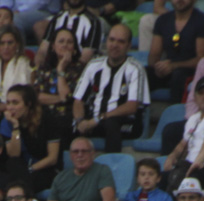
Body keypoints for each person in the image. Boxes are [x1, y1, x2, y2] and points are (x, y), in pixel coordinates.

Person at [72, 23, 149, 155]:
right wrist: (80, 121)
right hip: (95, 121)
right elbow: (78, 100)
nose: (114, 45)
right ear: (106, 42)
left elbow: (131, 106)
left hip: (126, 123)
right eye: (111, 40)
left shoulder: (136, 68)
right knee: (64, 124)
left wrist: (99, 119)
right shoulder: (93, 65)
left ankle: (110, 169)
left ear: (129, 46)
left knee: (111, 124)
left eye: (121, 41)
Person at [146, 0, 204, 103]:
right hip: (167, 70)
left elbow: (202, 59)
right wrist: (157, 66)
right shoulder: (163, 20)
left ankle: (175, 114)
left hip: (190, 72)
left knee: (178, 76)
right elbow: (154, 54)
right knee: (144, 73)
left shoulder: (202, 22)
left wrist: (174, 65)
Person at [0, 84, 60, 194]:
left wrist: (30, 169)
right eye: (8, 103)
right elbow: (14, 155)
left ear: (28, 104)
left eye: (15, 102)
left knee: (19, 182)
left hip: (44, 170)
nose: (10, 107)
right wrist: (15, 127)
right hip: (20, 170)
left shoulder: (47, 119)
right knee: (11, 166)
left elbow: (52, 158)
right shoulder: (7, 123)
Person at [32, 26, 86, 119]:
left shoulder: (80, 69)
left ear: (74, 48)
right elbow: (37, 96)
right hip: (43, 115)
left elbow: (67, 97)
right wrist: (59, 98)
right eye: (61, 41)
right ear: (53, 46)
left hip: (66, 117)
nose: (65, 45)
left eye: (69, 42)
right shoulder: (44, 67)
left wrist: (61, 69)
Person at [34, 0, 101, 68]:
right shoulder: (57, 19)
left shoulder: (93, 22)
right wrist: (38, 66)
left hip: (77, 71)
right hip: (53, 69)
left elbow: (86, 56)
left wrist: (67, 70)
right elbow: (42, 50)